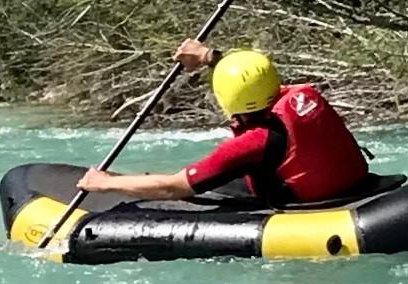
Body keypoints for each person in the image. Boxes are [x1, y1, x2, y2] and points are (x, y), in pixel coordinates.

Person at [70, 42, 376, 208]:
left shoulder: (253, 142)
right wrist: (208, 56)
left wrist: (105, 183)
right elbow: (252, 75)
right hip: (346, 181)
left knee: (190, 181)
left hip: (305, 198)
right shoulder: (296, 97)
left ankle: (132, 181)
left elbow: (172, 188)